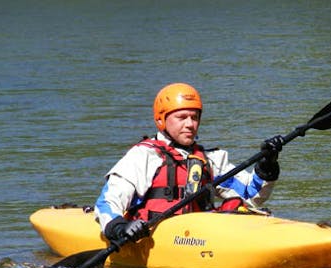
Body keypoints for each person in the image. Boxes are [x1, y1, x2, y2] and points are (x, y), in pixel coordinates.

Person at [94, 83, 284, 245]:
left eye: (194, 117)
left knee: (236, 205)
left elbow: (250, 195)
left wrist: (267, 163)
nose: (190, 124)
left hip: (199, 237)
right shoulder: (144, 156)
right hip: (155, 236)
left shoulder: (209, 160)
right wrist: (120, 228)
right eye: (181, 117)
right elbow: (107, 203)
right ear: (161, 119)